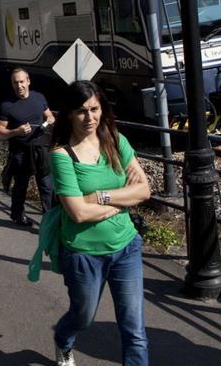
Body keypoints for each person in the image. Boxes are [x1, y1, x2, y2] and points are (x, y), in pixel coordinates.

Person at [49, 80, 150, 366]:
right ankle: (63, 340)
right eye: (81, 111)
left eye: (95, 109)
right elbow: (77, 214)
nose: (90, 117)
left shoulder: (116, 141)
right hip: (83, 254)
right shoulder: (62, 155)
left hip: (126, 248)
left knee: (135, 330)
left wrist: (102, 197)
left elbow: (144, 190)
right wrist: (121, 203)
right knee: (83, 316)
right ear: (69, 113)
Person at [0, 68, 55, 226]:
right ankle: (17, 214)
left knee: (47, 186)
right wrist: (17, 131)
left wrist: (49, 119)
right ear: (12, 84)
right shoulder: (6, 105)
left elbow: (49, 114)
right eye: (16, 82)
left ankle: (49, 220)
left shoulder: (39, 97)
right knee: (21, 186)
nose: (19, 85)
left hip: (41, 149)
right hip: (20, 152)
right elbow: (0, 132)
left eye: (22, 81)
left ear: (28, 81)